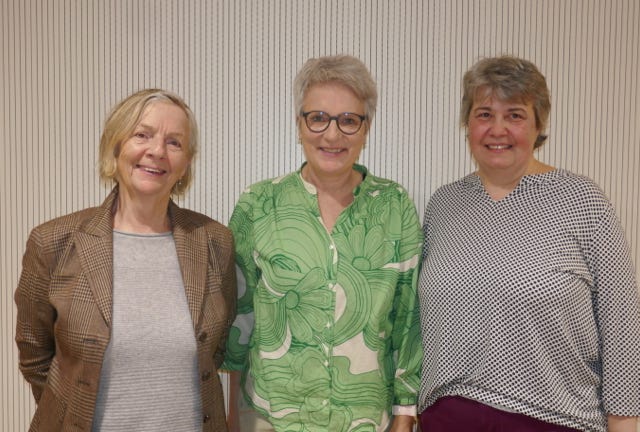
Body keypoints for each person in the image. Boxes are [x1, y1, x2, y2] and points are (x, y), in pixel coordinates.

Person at [417, 55, 640, 432]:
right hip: (448, 418)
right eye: (484, 114)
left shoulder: (582, 201)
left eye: (515, 115)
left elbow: (622, 326)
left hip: (555, 420)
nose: (497, 129)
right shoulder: (444, 204)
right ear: (467, 124)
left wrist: (625, 423)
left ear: (539, 125)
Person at [15, 88, 237, 431]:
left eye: (174, 142)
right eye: (142, 135)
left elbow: (216, 348)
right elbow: (35, 355)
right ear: (115, 146)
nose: (157, 151)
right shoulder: (53, 242)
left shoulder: (214, 241)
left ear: (186, 164)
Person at [222, 54, 423, 432]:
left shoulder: (394, 205)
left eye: (348, 120)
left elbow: (407, 317)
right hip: (271, 418)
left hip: (367, 420)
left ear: (366, 129)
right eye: (318, 118)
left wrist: (404, 414)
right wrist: (231, 415)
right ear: (299, 125)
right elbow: (239, 316)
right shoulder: (259, 204)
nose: (332, 135)